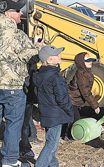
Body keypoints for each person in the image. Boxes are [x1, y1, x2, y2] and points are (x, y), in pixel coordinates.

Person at [0, 0, 39, 166]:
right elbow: (29, 57)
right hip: (12, 87)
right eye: (18, 10)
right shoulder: (17, 35)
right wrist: (38, 48)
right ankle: (9, 160)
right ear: (8, 13)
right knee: (13, 124)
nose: (21, 14)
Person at [33, 45, 74, 167]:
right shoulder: (55, 78)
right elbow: (62, 98)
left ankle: (53, 164)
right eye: (56, 55)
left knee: (51, 142)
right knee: (51, 144)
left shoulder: (40, 75)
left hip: (46, 113)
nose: (60, 56)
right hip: (56, 114)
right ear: (49, 60)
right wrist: (69, 111)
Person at [63, 52, 100, 139]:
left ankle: (68, 135)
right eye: (87, 61)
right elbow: (85, 92)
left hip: (75, 100)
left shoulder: (86, 72)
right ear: (81, 63)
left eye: (90, 60)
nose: (90, 62)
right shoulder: (82, 74)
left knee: (74, 118)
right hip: (72, 99)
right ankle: (68, 136)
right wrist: (95, 106)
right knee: (74, 120)